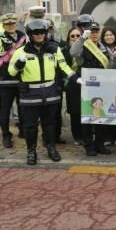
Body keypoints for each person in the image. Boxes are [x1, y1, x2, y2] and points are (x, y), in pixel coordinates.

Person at [8, 19, 76, 165]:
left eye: (42, 32)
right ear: (30, 34)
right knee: (30, 126)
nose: (39, 35)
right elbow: (11, 72)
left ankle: (51, 148)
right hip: (30, 94)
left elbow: (64, 66)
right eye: (36, 32)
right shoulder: (20, 52)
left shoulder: (54, 49)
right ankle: (31, 151)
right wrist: (19, 63)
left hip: (50, 92)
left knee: (50, 124)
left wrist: (74, 77)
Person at [70, 20, 113, 156]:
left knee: (100, 115)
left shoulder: (104, 48)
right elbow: (73, 52)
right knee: (88, 117)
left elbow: (110, 65)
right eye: (92, 32)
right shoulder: (83, 45)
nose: (94, 34)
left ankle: (99, 144)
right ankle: (89, 145)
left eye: (96, 32)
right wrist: (82, 38)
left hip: (102, 87)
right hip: (87, 88)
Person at [0, 13, 26, 148]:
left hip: (21, 78)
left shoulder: (23, 36)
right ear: (3, 25)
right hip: (6, 79)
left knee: (23, 107)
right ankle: (6, 135)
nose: (10, 26)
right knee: (5, 109)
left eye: (12, 23)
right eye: (7, 24)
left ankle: (23, 130)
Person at [62, 25, 84, 144]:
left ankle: (86, 134)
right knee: (75, 111)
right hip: (72, 84)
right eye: (72, 36)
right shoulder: (65, 50)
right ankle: (77, 136)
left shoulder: (87, 48)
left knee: (86, 109)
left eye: (78, 35)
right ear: (68, 38)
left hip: (86, 82)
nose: (75, 38)